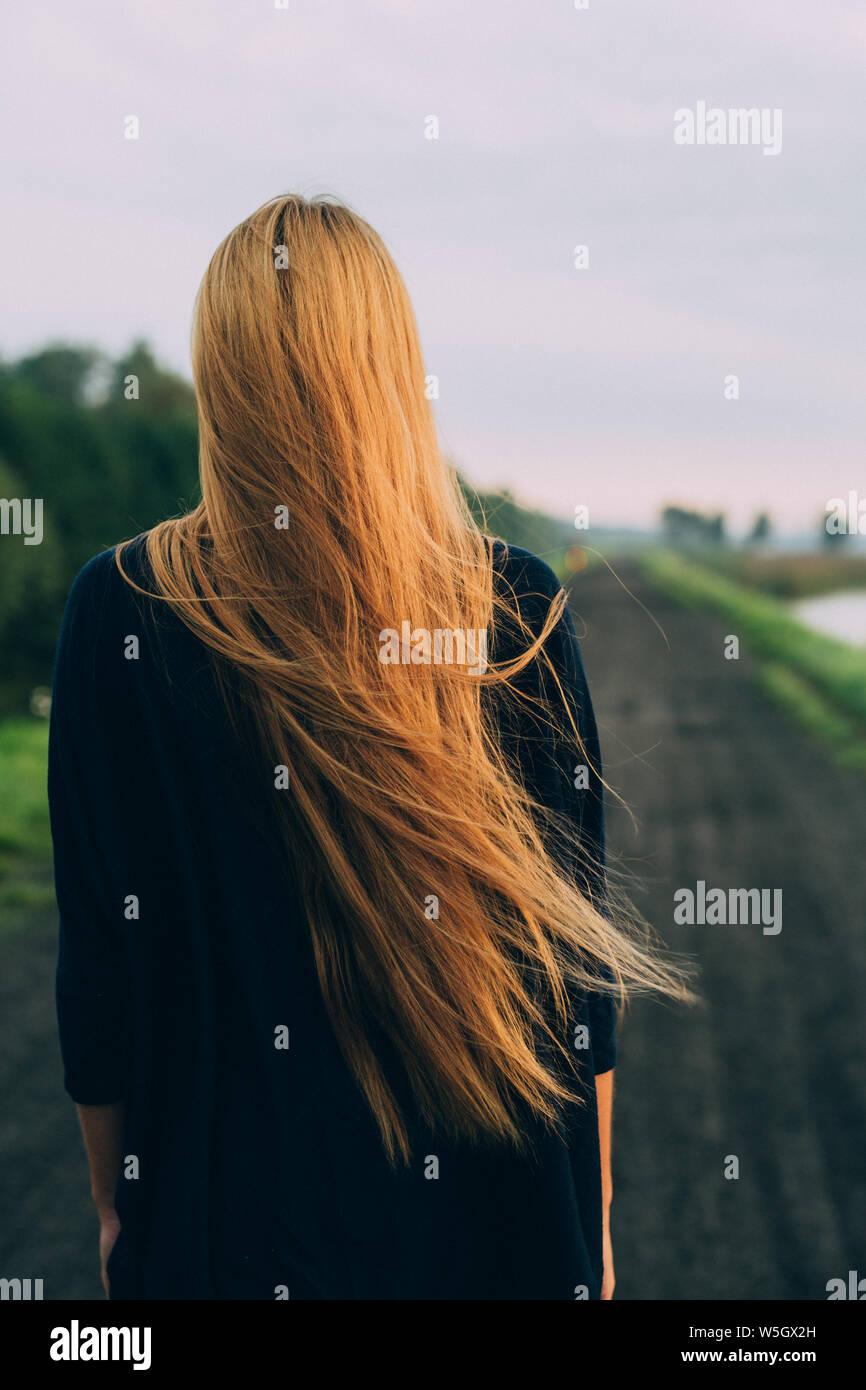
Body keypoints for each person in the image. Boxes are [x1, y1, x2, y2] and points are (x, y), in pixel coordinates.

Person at [49, 194, 689, 1300]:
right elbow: (577, 986)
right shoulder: (512, 609)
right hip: (502, 1246)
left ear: (222, 381)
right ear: (391, 372)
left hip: (222, 1244)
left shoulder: (120, 614)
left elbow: (99, 977)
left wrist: (118, 1207)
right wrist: (592, 1224)